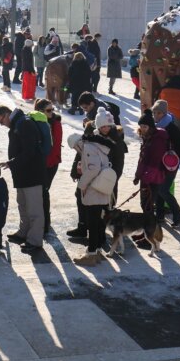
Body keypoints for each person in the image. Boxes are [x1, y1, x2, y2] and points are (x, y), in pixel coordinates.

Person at [0, 105, 47, 254]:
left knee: (34, 209)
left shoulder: (24, 124)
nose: (2, 125)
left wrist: (12, 163)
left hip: (32, 175)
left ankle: (35, 240)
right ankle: (23, 233)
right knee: (23, 205)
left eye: (1, 121)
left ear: (7, 114)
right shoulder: (17, 124)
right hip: (22, 175)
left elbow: (29, 151)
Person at [70, 129, 114, 266]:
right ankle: (97, 251)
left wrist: (81, 185)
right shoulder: (97, 146)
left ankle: (91, 254)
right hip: (101, 190)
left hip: (94, 191)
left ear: (77, 144)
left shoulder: (87, 148)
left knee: (93, 223)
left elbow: (93, 169)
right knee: (98, 223)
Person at [133, 110, 169, 241]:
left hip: (153, 179)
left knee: (148, 207)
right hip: (146, 178)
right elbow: (143, 160)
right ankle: (146, 232)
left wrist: (146, 179)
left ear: (151, 127)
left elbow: (154, 162)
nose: (142, 129)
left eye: (145, 126)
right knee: (145, 206)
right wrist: (138, 176)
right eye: (141, 126)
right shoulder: (147, 138)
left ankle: (151, 236)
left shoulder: (157, 140)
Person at [151, 100, 180, 226]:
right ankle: (159, 215)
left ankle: (177, 213)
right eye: (154, 112)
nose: (156, 115)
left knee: (163, 189)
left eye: (159, 113)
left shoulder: (171, 127)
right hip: (158, 163)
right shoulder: (155, 125)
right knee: (159, 188)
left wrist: (170, 154)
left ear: (164, 113)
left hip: (170, 165)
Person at [36, 99, 62, 233]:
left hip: (50, 163)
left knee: (43, 192)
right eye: (48, 110)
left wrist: (44, 163)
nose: (51, 112)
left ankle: (45, 222)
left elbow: (55, 147)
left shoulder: (55, 124)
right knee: (39, 192)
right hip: (39, 164)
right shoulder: (36, 122)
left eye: (52, 109)